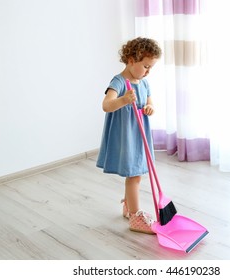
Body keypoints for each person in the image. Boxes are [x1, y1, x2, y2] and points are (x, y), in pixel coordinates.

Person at [96, 37, 162, 234]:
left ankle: (128, 206)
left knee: (138, 173)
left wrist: (150, 108)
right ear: (132, 59)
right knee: (134, 175)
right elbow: (106, 106)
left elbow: (150, 103)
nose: (148, 71)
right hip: (126, 135)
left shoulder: (144, 82)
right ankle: (135, 217)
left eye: (151, 67)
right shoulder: (118, 82)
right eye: (146, 66)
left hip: (140, 134)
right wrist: (124, 99)